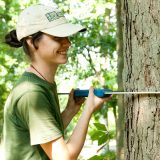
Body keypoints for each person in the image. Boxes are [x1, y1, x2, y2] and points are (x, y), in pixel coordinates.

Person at [3, 4, 111, 160]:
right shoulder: (32, 93)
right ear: (31, 42)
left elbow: (42, 138)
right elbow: (63, 158)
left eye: (67, 37)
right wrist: (88, 110)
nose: (68, 43)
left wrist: (70, 111)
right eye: (57, 38)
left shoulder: (42, 83)